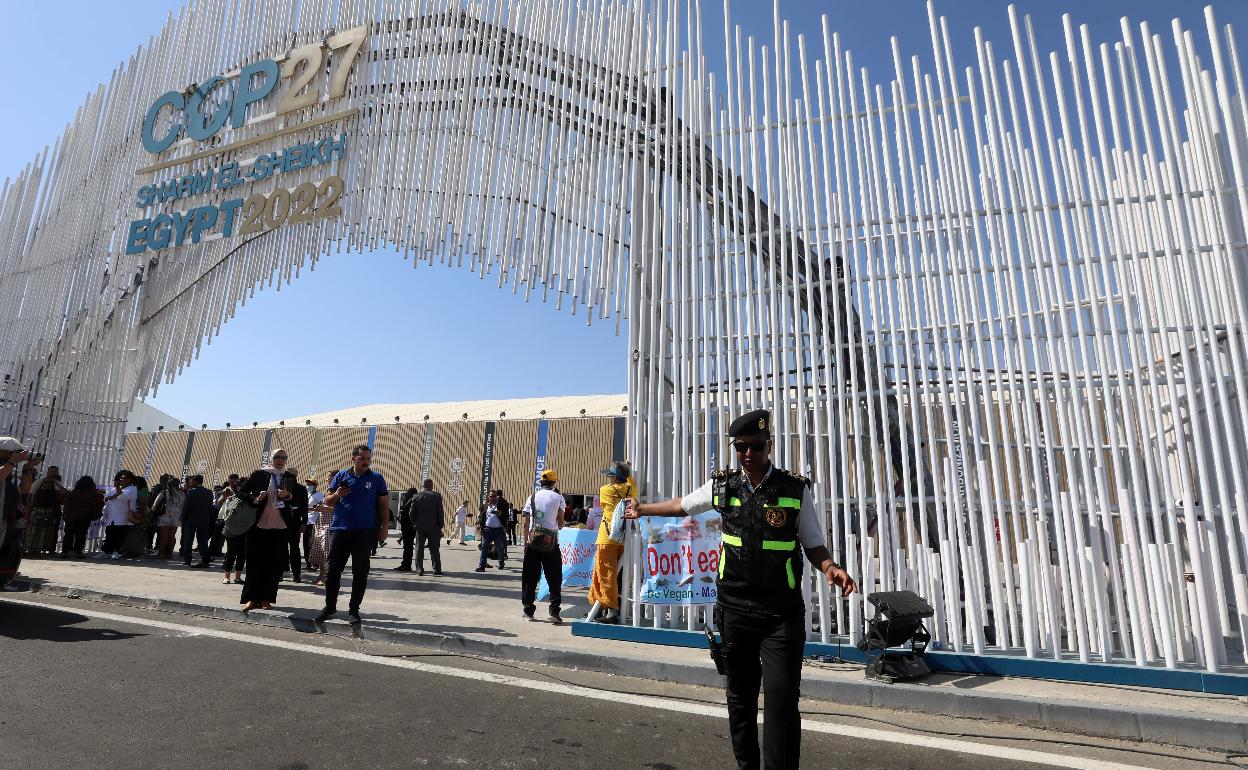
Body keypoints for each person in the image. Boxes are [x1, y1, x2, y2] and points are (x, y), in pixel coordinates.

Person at [624, 409, 857, 770]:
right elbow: (683, 506)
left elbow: (813, 543)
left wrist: (830, 567)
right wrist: (641, 509)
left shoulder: (794, 490)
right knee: (741, 699)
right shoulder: (723, 486)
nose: (749, 454)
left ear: (769, 445)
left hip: (780, 614)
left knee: (781, 701)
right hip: (735, 609)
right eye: (742, 447)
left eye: (757, 446)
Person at [316, 446, 389, 625]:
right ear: (353, 459)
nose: (365, 462)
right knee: (333, 571)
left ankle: (354, 610)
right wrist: (337, 494)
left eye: (368, 458)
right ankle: (330, 606)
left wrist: (384, 527)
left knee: (360, 572)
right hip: (340, 530)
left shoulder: (377, 478)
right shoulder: (341, 476)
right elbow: (327, 500)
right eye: (362, 458)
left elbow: (384, 505)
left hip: (365, 532)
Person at [236, 449, 303, 610]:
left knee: (273, 565)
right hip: (257, 525)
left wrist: (286, 496)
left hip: (280, 527)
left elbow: (298, 501)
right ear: (272, 458)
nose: (280, 460)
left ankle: (266, 598)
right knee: (253, 562)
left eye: (283, 458)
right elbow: (240, 492)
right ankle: (251, 598)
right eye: (277, 457)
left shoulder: (289, 477)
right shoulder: (260, 474)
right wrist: (254, 498)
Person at [589, 461, 637, 624]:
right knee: (612, 574)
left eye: (610, 475)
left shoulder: (605, 490)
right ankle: (599, 606)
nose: (608, 477)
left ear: (614, 478)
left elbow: (604, 504)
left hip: (607, 537)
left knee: (605, 574)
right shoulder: (631, 490)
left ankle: (610, 611)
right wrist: (628, 472)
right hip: (622, 538)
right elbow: (630, 483)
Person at [519, 469, 565, 623]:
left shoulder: (532, 497)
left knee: (530, 577)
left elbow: (526, 523)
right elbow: (561, 523)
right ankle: (554, 611)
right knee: (554, 577)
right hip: (550, 543)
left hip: (533, 541)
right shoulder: (558, 498)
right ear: (554, 482)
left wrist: (526, 542)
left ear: (541, 482)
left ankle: (528, 611)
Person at [0, 438, 34, 585]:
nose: (20, 455)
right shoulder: (7, 467)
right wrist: (12, 462)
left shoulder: (11, 470)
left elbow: (24, 489)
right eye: (16, 452)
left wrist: (28, 468)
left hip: (6, 519)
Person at [26, 465, 67, 557]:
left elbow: (64, 492)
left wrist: (55, 482)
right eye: (51, 471)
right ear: (47, 472)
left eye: (55, 472)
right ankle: (30, 550)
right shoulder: (39, 482)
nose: (53, 473)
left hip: (50, 511)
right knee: (33, 531)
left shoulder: (56, 483)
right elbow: (30, 495)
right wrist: (28, 511)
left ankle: (39, 551)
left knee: (46, 532)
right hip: (37, 510)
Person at [307, 469, 337, 586]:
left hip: (329, 524)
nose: (327, 479)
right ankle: (321, 574)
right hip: (320, 523)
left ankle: (325, 576)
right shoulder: (328, 491)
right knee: (320, 551)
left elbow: (339, 509)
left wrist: (324, 508)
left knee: (326, 552)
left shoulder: (338, 492)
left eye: (329, 476)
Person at [61, 476, 103, 558]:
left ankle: (65, 551)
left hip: (71, 516)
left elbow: (67, 504)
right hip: (85, 516)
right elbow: (98, 502)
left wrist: (65, 515)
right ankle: (78, 551)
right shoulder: (93, 492)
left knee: (69, 534)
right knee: (81, 534)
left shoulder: (73, 492)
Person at [99, 470, 138, 560]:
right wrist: (111, 496)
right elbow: (107, 498)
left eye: (124, 478)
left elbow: (123, 497)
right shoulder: (115, 489)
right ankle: (106, 552)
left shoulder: (132, 489)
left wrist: (116, 491)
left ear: (130, 480)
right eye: (121, 478)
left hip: (122, 516)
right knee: (109, 534)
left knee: (119, 535)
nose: (121, 480)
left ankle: (116, 552)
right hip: (112, 516)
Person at [409, 479, 444, 576]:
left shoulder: (416, 496)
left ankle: (419, 569)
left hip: (420, 526)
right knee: (434, 549)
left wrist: (415, 523)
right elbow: (440, 512)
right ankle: (437, 570)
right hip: (434, 527)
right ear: (431, 485)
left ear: (423, 485)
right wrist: (441, 525)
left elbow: (411, 513)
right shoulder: (437, 496)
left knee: (419, 548)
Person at [180, 474, 215, 567]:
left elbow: (186, 508)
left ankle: (187, 560)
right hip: (204, 520)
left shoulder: (191, 492)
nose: (190, 483)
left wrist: (183, 519)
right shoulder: (209, 492)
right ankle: (205, 561)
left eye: (191, 481)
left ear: (196, 482)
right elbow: (210, 508)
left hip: (190, 520)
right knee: (203, 541)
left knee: (188, 540)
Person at [284, 466, 309, 582]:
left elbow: (304, 507)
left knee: (294, 549)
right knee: (281, 548)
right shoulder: (281, 487)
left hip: (295, 523)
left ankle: (296, 574)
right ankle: (280, 572)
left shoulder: (301, 489)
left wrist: (304, 522)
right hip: (281, 521)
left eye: (289, 475)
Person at [151, 475, 184, 560]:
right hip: (176, 516)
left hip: (164, 515)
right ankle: (169, 553)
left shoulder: (165, 492)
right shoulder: (182, 494)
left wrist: (152, 514)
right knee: (172, 536)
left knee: (164, 536)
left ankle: (161, 554)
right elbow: (182, 506)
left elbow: (155, 505)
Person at [475, 491, 507, 573]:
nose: (493, 498)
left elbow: (506, 515)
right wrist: (480, 526)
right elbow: (481, 516)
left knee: (499, 547)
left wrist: (500, 513)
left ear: (497, 497)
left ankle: (501, 562)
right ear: (488, 497)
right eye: (491, 496)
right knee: (484, 547)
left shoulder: (501, 505)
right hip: (487, 530)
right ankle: (482, 566)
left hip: (498, 530)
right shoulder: (485, 506)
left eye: (494, 496)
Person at [395, 487, 419, 572]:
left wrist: (400, 519)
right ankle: (405, 564)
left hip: (407, 528)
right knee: (408, 547)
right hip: (411, 528)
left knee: (407, 548)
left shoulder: (410, 501)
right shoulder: (416, 501)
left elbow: (407, 516)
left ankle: (406, 565)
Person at [303, 477, 321, 570]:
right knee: (305, 543)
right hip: (306, 520)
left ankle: (315, 563)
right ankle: (308, 563)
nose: (308, 486)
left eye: (310, 484)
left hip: (314, 521)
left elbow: (320, 506)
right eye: (307, 484)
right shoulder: (307, 494)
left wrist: (312, 508)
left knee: (312, 543)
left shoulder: (318, 495)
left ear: (315, 486)